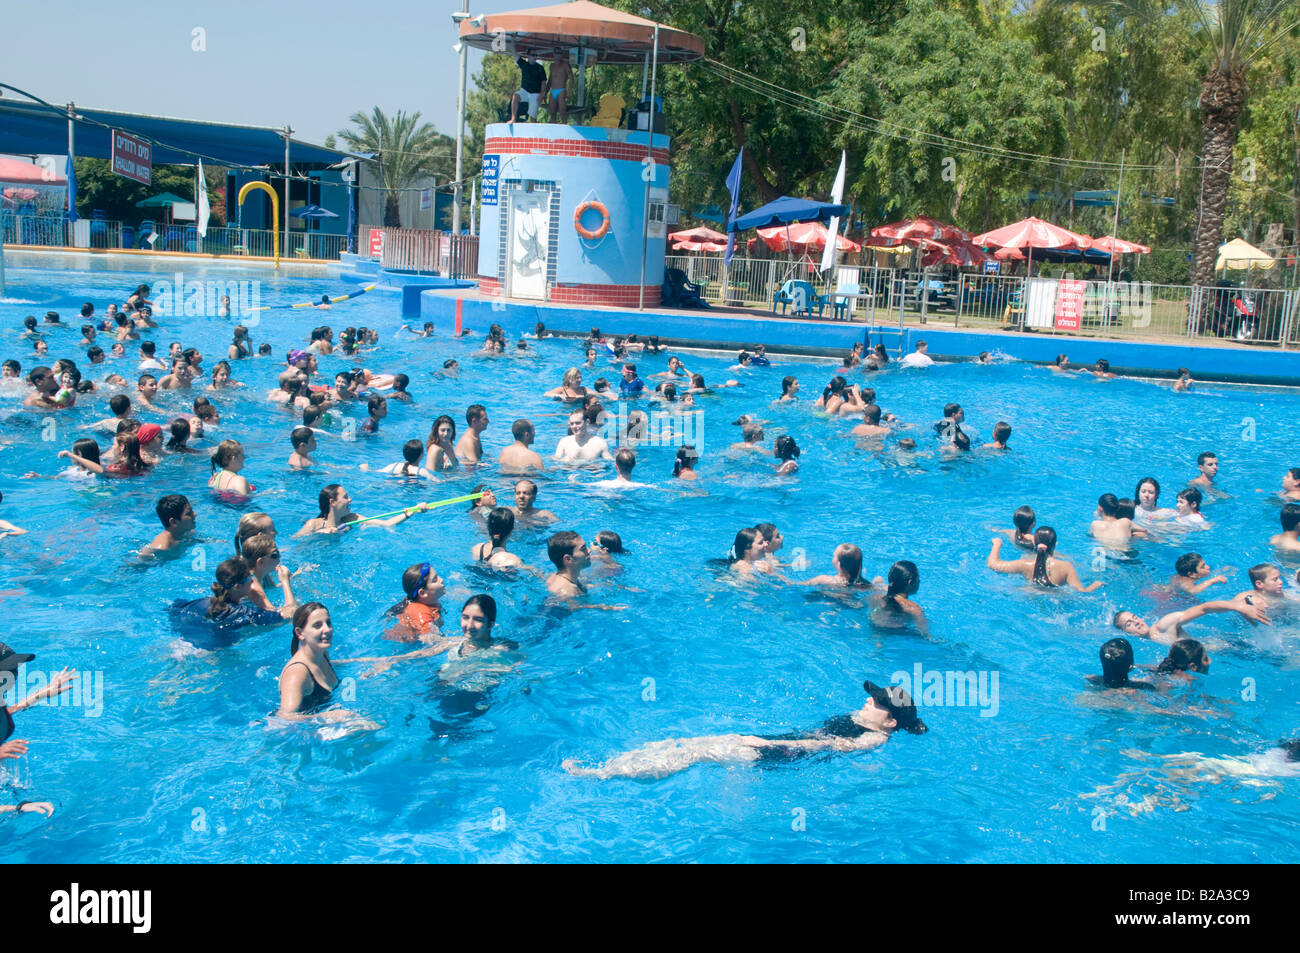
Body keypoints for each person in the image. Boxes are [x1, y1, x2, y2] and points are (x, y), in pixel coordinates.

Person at [563, 679, 925, 780]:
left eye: (877, 702)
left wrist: (761, 741)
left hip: (782, 754)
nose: (867, 702)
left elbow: (824, 747)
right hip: (777, 745)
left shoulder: (874, 737)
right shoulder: (864, 719)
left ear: (891, 722)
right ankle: (614, 766)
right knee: (690, 743)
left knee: (695, 754)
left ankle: (600, 775)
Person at [1113, 594, 1268, 646]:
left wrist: (1238, 607)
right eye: (1129, 623)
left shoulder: (1164, 625)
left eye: (1135, 618)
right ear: (1125, 632)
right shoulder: (1146, 642)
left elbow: (1204, 608)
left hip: (1230, 649)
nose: (1137, 622)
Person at [986, 528, 1102, 591]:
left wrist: (997, 544)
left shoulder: (1024, 564)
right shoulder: (1066, 566)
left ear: (1035, 544)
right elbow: (1081, 591)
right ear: (1055, 544)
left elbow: (993, 564)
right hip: (1056, 599)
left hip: (1029, 595)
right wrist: (1096, 584)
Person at [295, 484, 428, 535]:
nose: (350, 500)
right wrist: (321, 533)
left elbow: (387, 524)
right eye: (345, 497)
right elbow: (296, 541)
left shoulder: (352, 519)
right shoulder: (314, 524)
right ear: (332, 502)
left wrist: (413, 511)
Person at [546, 530, 593, 596]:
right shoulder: (567, 593)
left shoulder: (558, 576)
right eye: (583, 548)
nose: (589, 550)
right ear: (568, 559)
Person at [799, 543, 867, 588]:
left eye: (834, 555)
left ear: (838, 564)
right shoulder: (865, 585)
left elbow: (803, 584)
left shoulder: (824, 579)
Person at [362, 439, 434, 479]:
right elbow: (437, 482)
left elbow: (374, 472)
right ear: (421, 455)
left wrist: (365, 468)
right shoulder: (421, 471)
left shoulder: (394, 465)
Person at [511, 55, 547, 122]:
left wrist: (542, 94)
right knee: (515, 96)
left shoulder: (540, 68)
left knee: (533, 119)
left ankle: (533, 129)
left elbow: (543, 82)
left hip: (535, 93)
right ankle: (513, 118)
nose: (535, 57)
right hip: (524, 91)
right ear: (528, 56)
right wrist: (512, 44)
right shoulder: (524, 64)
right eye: (533, 55)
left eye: (535, 55)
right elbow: (514, 54)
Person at [544, 51, 572, 122]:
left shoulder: (565, 65)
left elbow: (571, 78)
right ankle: (554, 129)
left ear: (561, 55)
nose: (558, 55)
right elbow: (550, 80)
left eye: (559, 53)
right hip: (553, 91)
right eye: (556, 53)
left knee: (562, 112)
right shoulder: (551, 66)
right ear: (553, 54)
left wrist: (569, 91)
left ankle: (564, 127)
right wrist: (545, 93)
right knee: (552, 113)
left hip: (562, 90)